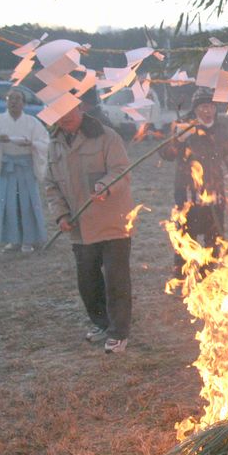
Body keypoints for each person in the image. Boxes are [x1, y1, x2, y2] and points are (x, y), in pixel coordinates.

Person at [45, 100, 134, 354]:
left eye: (68, 110)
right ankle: (100, 322)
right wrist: (61, 215)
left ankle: (119, 332)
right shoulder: (54, 144)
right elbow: (51, 185)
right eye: (58, 112)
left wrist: (106, 186)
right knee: (88, 281)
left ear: (80, 107)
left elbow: (121, 170)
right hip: (79, 227)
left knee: (116, 279)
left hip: (113, 222)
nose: (64, 117)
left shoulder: (106, 136)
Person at [160, 88, 228, 274]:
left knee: (215, 237)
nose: (207, 111)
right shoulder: (184, 126)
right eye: (203, 107)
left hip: (215, 191)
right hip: (188, 192)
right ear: (196, 108)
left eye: (211, 106)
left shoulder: (219, 129)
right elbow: (166, 154)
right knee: (186, 235)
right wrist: (178, 140)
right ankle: (182, 276)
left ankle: (210, 275)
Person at [0, 87, 49, 253]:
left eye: (17, 99)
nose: (13, 102)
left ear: (24, 103)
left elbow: (44, 141)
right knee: (9, 203)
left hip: (25, 166)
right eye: (10, 98)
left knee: (27, 203)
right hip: (7, 167)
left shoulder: (32, 122)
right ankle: (13, 239)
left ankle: (29, 239)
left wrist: (31, 144)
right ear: (6, 101)